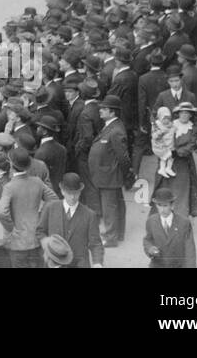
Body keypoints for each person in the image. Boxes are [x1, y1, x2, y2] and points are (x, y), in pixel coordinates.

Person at [0, 145, 60, 268]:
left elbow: (2, 212)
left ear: (11, 165)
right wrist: (40, 217)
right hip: (36, 238)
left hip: (17, 241)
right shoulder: (37, 181)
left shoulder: (9, 187)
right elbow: (54, 201)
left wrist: (10, 228)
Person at [36, 173, 104, 269]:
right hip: (54, 263)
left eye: (76, 193)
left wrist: (97, 262)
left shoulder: (90, 215)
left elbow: (96, 243)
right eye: (69, 193)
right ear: (62, 191)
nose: (72, 197)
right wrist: (48, 247)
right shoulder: (50, 208)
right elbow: (40, 231)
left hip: (80, 264)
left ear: (80, 192)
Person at [88, 94, 130, 246]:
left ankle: (111, 237)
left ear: (112, 112)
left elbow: (123, 157)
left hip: (110, 175)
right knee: (115, 204)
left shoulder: (116, 129)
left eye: (104, 109)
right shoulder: (110, 126)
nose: (100, 111)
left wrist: (125, 175)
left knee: (109, 207)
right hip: (107, 174)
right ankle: (117, 234)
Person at [142, 186, 196, 268]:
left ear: (172, 205)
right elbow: (148, 239)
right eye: (159, 205)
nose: (162, 210)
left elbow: (190, 250)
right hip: (158, 265)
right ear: (156, 205)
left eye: (165, 206)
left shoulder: (184, 222)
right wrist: (150, 249)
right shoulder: (151, 221)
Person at [152, 105, 176, 178]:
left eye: (168, 118)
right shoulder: (157, 125)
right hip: (160, 146)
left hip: (169, 145)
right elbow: (154, 136)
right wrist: (159, 133)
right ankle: (162, 169)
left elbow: (174, 130)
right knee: (166, 156)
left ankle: (168, 168)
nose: (166, 121)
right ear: (160, 118)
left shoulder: (171, 125)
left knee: (171, 157)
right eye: (164, 119)